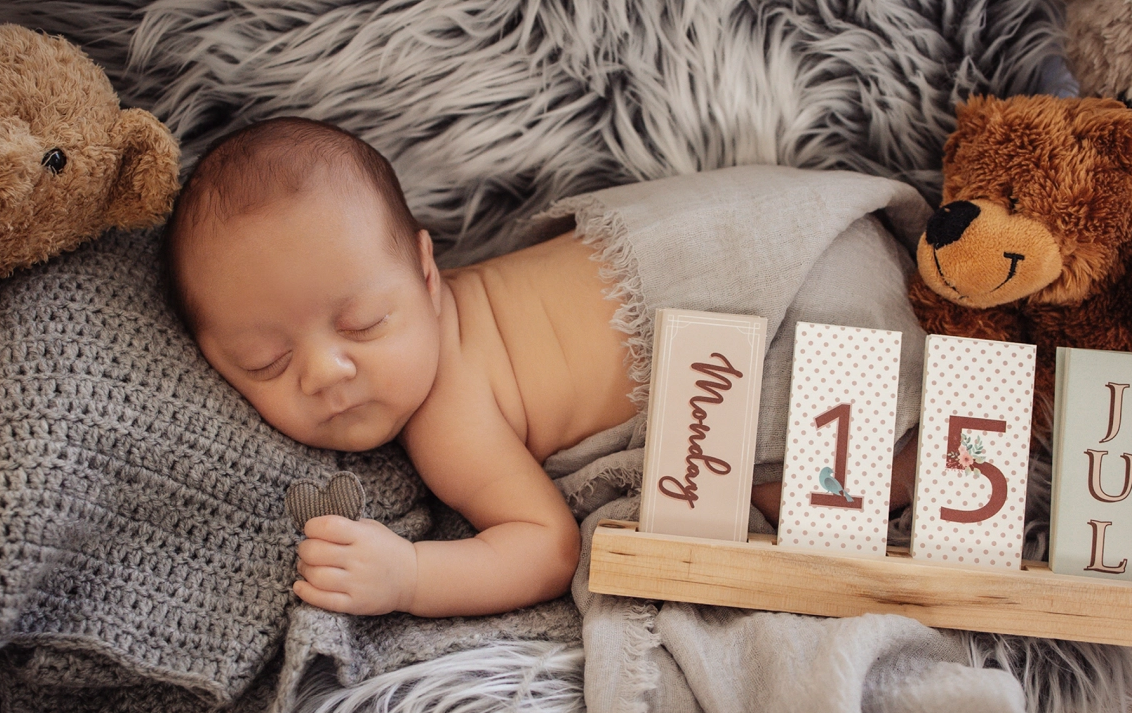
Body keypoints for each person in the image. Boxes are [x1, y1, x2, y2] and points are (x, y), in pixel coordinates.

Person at [166, 117, 913, 617]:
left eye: (363, 323)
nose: (327, 371)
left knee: (809, 499)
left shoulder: (448, 418)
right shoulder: (443, 323)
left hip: (812, 308)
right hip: (817, 237)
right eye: (265, 361)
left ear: (428, 274)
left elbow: (546, 546)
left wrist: (409, 576)